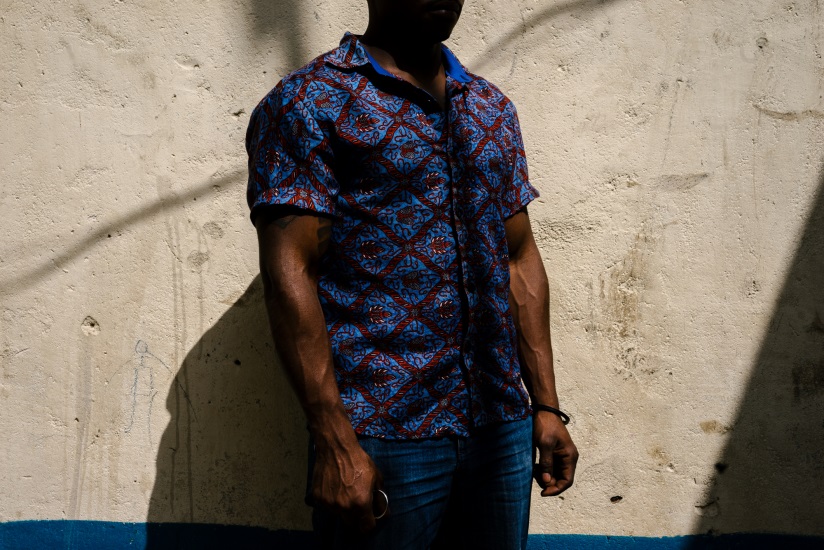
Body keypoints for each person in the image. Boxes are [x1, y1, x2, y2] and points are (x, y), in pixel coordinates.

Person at [245, 1, 578, 548]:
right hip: (381, 433)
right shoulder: (309, 103)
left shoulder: (490, 109)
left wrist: (544, 405)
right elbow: (290, 271)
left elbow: (518, 257)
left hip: (499, 430)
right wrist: (333, 442)